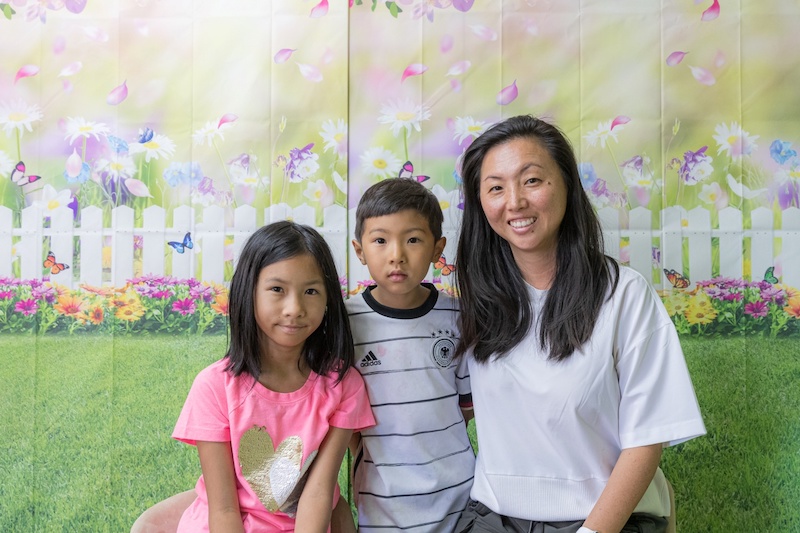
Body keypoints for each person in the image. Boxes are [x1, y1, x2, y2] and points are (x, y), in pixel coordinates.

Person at [452, 115, 706, 533]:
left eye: (532, 180)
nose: (514, 202)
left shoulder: (624, 294)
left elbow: (647, 439)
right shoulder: (476, 300)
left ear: (567, 184)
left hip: (605, 521)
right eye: (495, 187)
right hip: (492, 518)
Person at [164, 221, 375, 532]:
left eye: (311, 291)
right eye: (277, 289)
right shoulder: (214, 387)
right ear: (248, 291)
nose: (294, 308)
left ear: (329, 299)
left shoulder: (343, 385)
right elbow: (223, 509)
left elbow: (318, 493)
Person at [346, 178, 475, 531]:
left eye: (413, 239)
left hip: (459, 500)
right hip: (382, 506)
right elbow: (345, 418)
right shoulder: (346, 323)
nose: (396, 255)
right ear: (360, 250)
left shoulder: (457, 317)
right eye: (380, 240)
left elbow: (465, 407)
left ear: (437, 248)